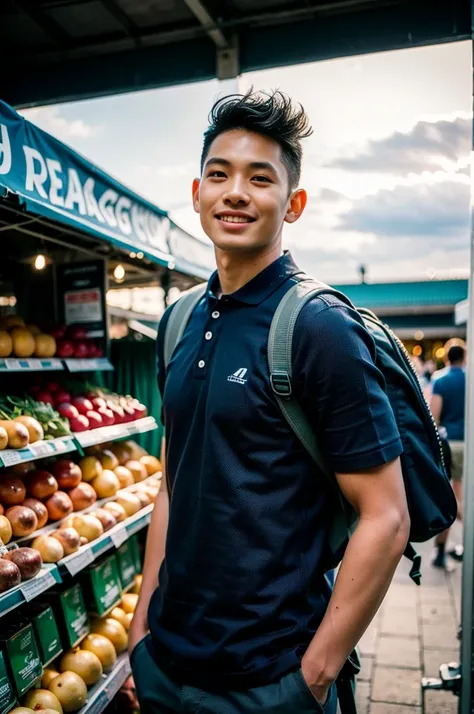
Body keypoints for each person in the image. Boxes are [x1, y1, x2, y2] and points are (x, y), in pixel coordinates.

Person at [128, 90, 410, 714]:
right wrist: (142, 623)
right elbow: (173, 483)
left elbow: (386, 516)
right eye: (219, 174)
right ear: (196, 191)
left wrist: (314, 676)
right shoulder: (177, 323)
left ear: (294, 203)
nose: (235, 193)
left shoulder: (318, 328)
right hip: (165, 664)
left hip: (273, 678)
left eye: (261, 178)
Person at [430, 343, 466, 568]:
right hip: (467, 443)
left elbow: (434, 415)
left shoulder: (440, 380)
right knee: (457, 494)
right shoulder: (469, 380)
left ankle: (442, 551)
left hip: (449, 443)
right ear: (464, 357)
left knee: (449, 497)